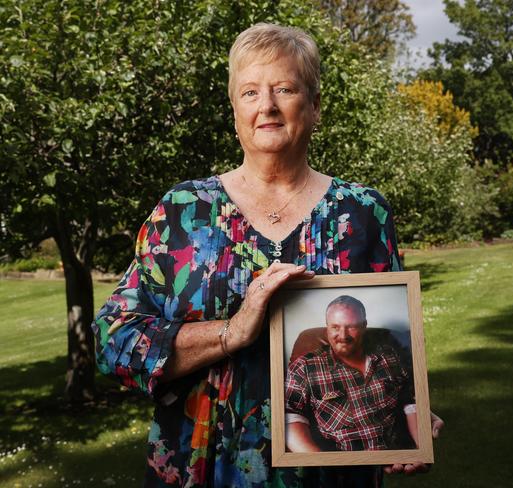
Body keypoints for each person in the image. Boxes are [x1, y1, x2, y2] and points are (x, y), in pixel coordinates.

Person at [92, 22, 442, 488]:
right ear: (235, 110)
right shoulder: (183, 211)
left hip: (331, 474)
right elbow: (112, 340)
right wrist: (230, 333)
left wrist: (407, 421)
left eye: (285, 89)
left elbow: (388, 344)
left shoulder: (363, 212)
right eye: (251, 92)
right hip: (202, 468)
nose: (268, 107)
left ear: (315, 106)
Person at [285, 295, 419, 452]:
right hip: (341, 465)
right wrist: (321, 463)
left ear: (364, 326)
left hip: (394, 454)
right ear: (327, 327)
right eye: (335, 327)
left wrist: (420, 450)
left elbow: (410, 402)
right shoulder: (305, 367)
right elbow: (290, 416)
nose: (343, 335)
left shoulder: (389, 356)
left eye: (351, 327)